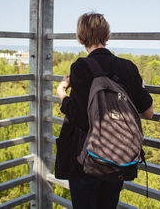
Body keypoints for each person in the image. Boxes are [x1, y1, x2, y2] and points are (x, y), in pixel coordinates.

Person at [56, 12, 153, 209]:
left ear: (81, 39)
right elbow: (148, 112)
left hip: (86, 160)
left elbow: (80, 119)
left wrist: (62, 92)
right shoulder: (128, 67)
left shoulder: (80, 67)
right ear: (107, 37)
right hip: (118, 158)